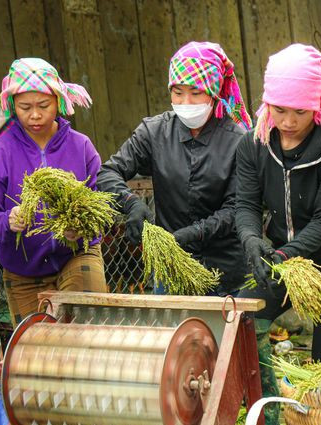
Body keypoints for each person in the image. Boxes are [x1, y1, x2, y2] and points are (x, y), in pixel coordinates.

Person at [227, 44, 321, 425]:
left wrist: (285, 254)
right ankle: (266, 422)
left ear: (316, 106)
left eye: (299, 113)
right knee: (244, 329)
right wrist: (252, 240)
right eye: (279, 109)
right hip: (281, 259)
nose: (287, 122)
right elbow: (246, 204)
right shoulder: (254, 143)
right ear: (268, 102)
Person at [97, 41, 251, 296]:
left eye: (195, 93)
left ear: (213, 93)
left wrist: (193, 234)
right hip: (170, 268)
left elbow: (238, 208)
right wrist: (131, 203)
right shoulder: (154, 131)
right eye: (178, 93)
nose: (186, 102)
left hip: (225, 273)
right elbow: (108, 172)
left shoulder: (238, 139)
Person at [0, 58, 107, 325]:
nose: (35, 115)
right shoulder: (1, 152)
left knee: (86, 336)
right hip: (23, 270)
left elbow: (102, 209)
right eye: (25, 107)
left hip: (75, 255)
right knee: (36, 354)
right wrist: (7, 220)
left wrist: (81, 228)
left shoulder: (80, 147)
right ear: (13, 106)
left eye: (43, 106)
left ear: (58, 102)